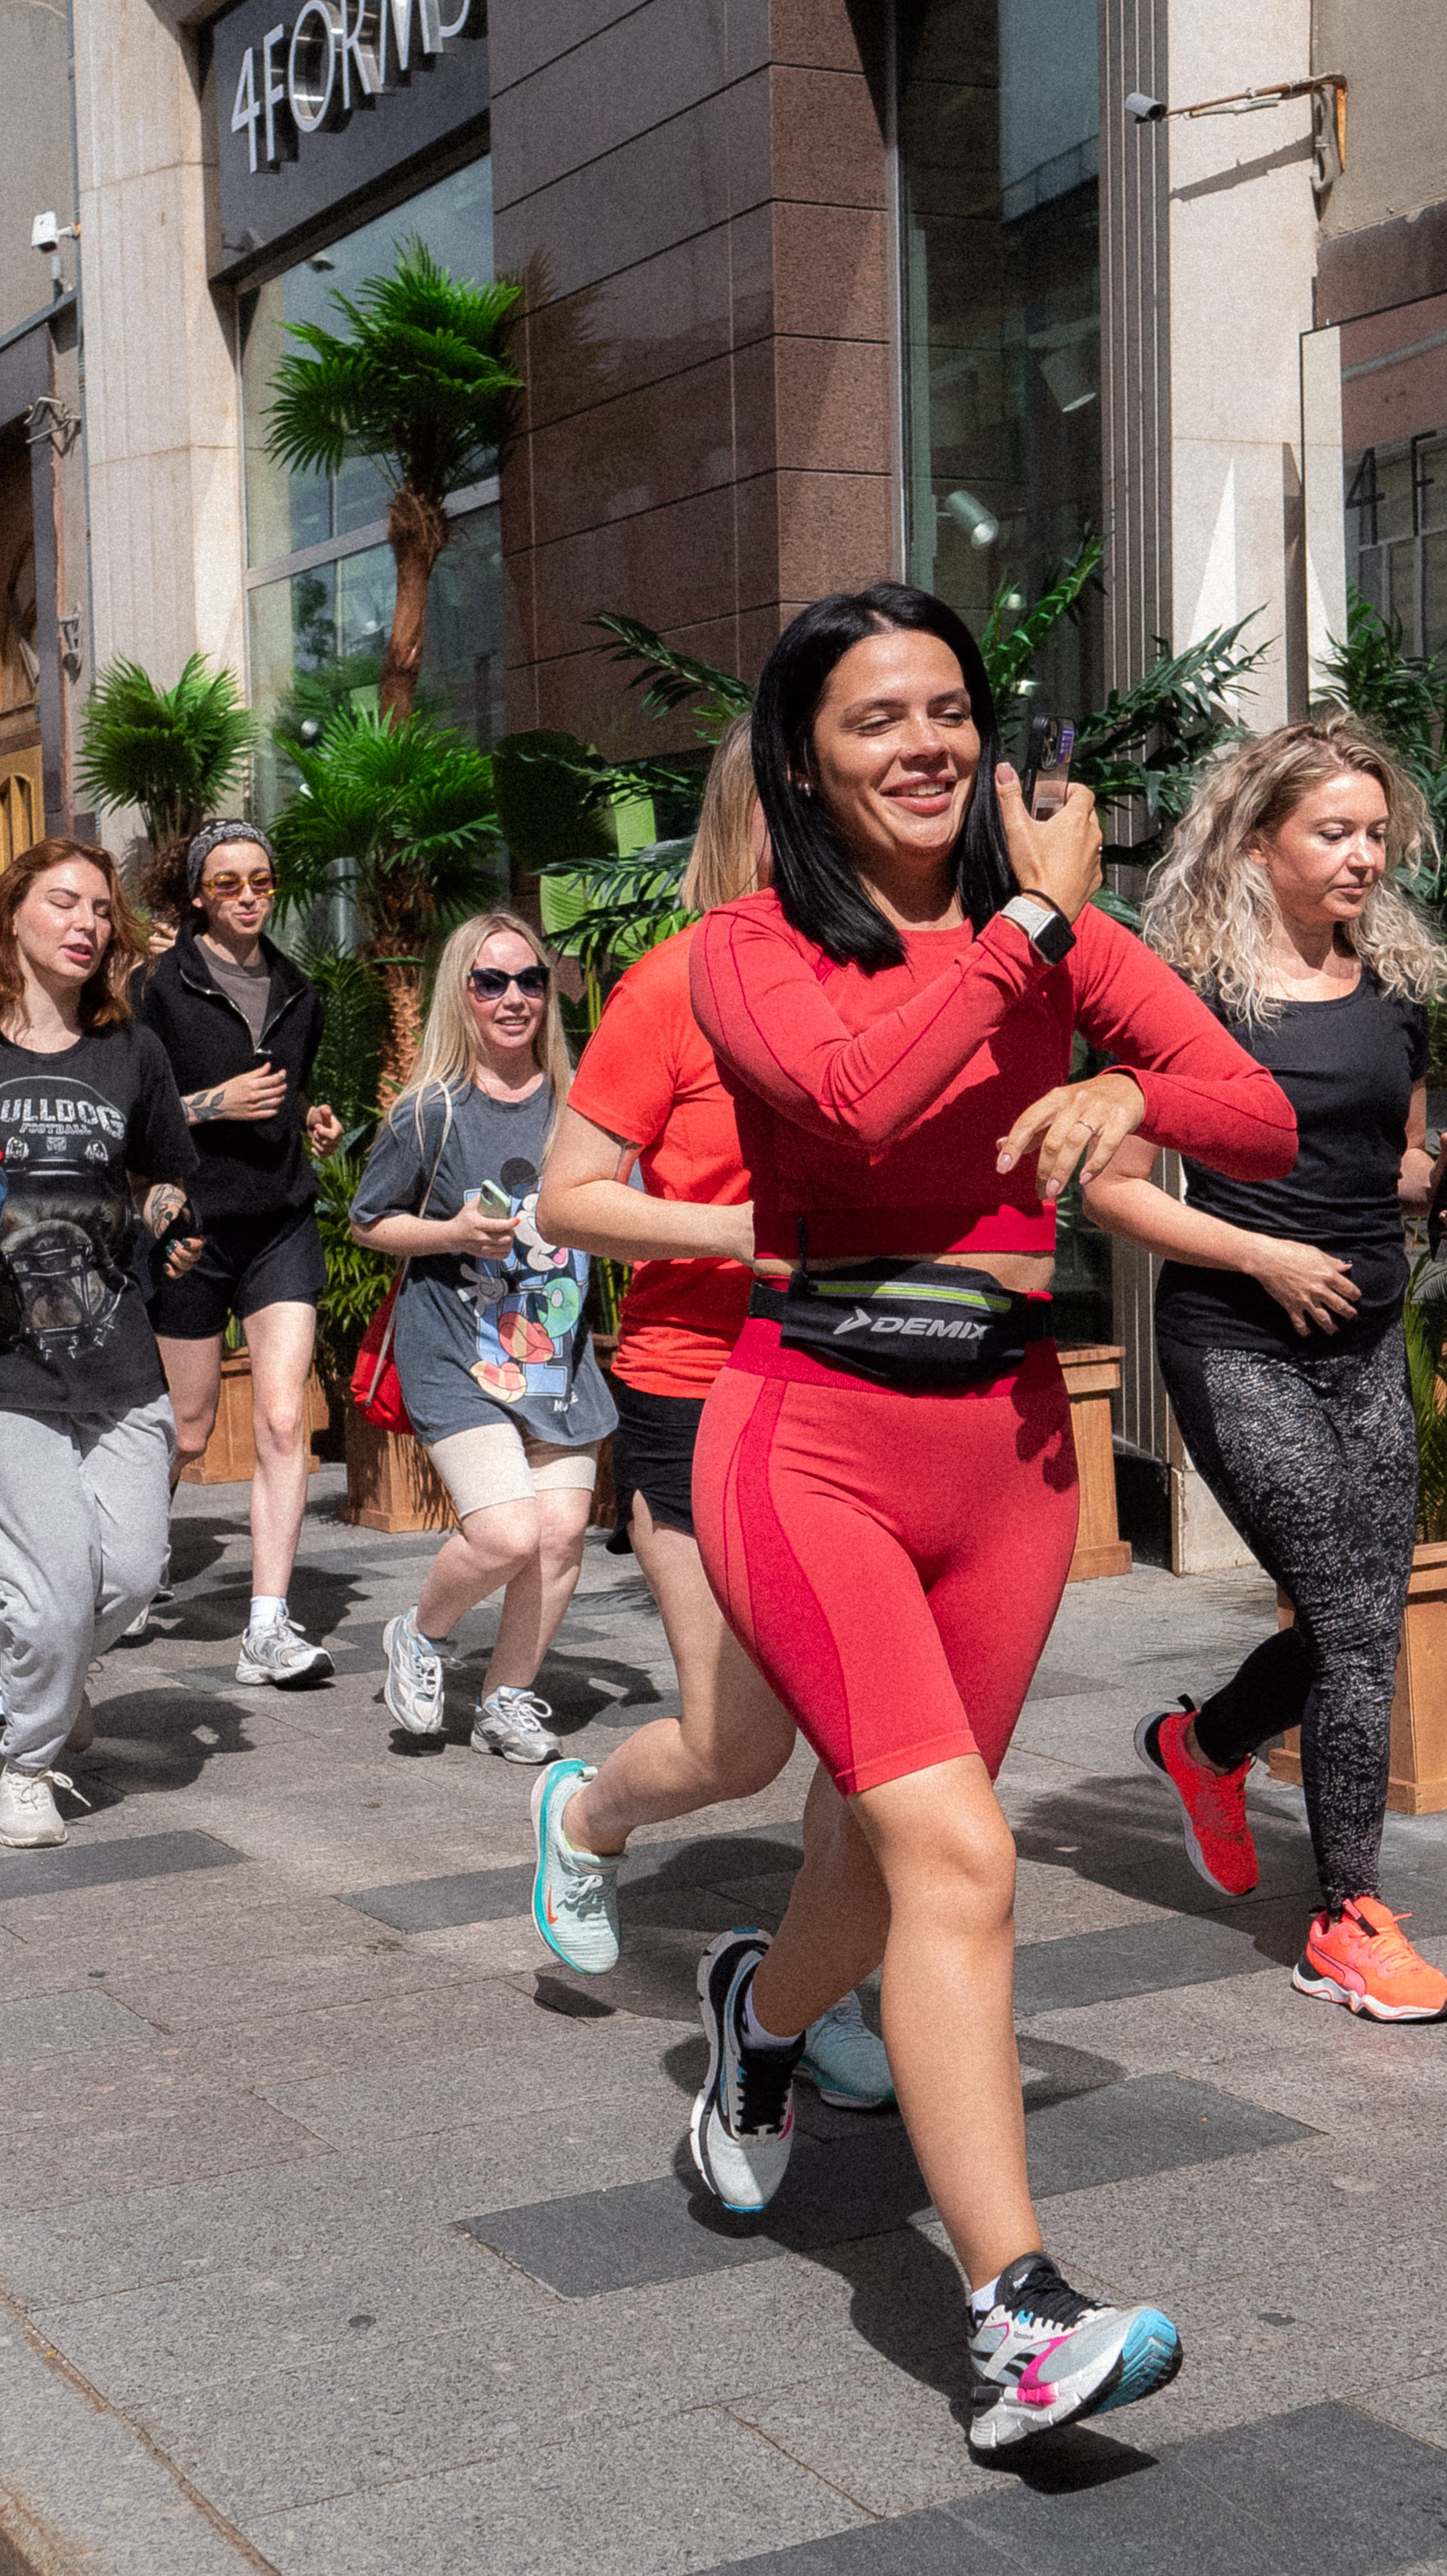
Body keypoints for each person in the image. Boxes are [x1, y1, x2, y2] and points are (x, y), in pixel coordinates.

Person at [684, 582, 1298, 2453]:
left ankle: (760, 2025)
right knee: (961, 1858)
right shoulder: (748, 948)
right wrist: (1036, 928)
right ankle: (1019, 2321)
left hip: (1011, 1461)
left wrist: (1121, 1073)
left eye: (948, 708)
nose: (928, 746)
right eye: (878, 718)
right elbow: (862, 1108)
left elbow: (1259, 1114)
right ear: (805, 755)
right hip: (808, 1447)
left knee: (885, 1866)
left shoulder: (1074, 950)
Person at [534, 713, 894, 2113]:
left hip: (854, 1388)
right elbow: (569, 1202)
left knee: (871, 1745)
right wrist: (743, 1228)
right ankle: (585, 1813)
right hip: (695, 1393)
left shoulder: (878, 981)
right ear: (760, 817)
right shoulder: (675, 984)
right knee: (740, 1744)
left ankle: (817, 1985)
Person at [1083, 717, 1447, 2022]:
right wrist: (1264, 1256)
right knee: (1350, 1623)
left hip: (1365, 1341)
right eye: (1332, 832)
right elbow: (1115, 1186)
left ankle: (1208, 1744)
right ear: (1257, 843)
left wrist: (1430, 1181)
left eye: (1373, 831)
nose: (1364, 854)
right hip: (1237, 1338)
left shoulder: (1398, 986)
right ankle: (1344, 1918)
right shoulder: (1192, 997)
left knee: (1358, 1618)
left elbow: (1390, 1165)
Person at [351, 911, 616, 1762]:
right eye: (491, 981)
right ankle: (424, 1634)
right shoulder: (430, 1111)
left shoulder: (584, 1108)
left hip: (557, 1358)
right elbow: (368, 1222)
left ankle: (507, 1699)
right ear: (460, 994)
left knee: (563, 1531)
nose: (514, 998)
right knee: (505, 1533)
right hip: (455, 1353)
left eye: (530, 980)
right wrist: (452, 1234)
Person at [0, 838, 203, 1848]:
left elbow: (165, 1171)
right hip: (8, 1372)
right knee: (50, 1596)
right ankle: (22, 1760)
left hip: (118, 1354)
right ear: (15, 916)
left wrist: (167, 1220)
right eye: (63, 903)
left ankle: (60, 1674)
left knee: (129, 1573)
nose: (86, 924)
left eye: (99, 910)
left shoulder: (132, 1051)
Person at [131, 819, 344, 1686]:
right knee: (185, 1429)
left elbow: (287, 1099)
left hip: (280, 1223)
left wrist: (310, 1120)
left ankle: (267, 1625)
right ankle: (133, 1568)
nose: (250, 896)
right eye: (228, 884)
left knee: (284, 1418)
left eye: (262, 880)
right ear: (197, 897)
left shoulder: (299, 988)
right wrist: (212, 1103)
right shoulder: (157, 989)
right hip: (190, 1229)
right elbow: (129, 1118)